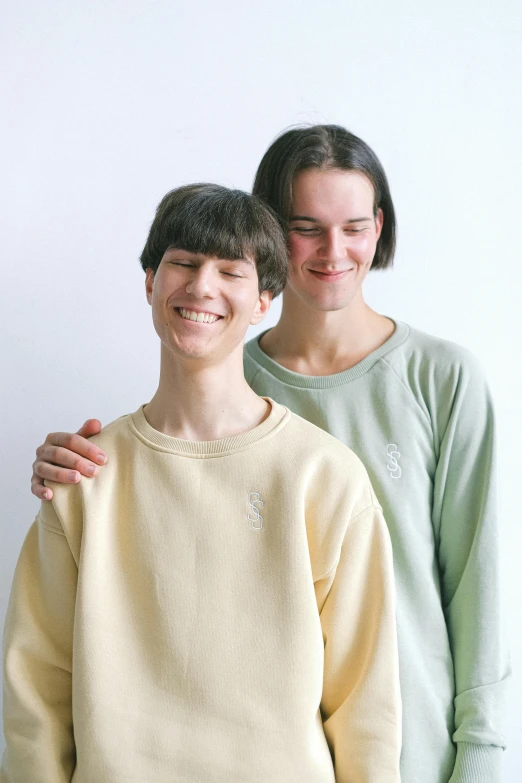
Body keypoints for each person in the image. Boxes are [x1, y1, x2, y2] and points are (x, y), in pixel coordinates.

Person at [30, 125, 511, 783]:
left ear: (379, 228)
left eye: (354, 225)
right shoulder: (219, 371)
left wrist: (486, 757)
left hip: (420, 751)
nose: (333, 250)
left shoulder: (435, 381)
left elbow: (478, 588)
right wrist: (70, 470)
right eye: (305, 226)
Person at [2, 184, 401, 782]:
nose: (201, 287)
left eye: (230, 271)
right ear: (150, 284)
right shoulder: (86, 475)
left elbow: (364, 703)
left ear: (266, 298)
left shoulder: (323, 475)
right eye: (183, 263)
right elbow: (35, 691)